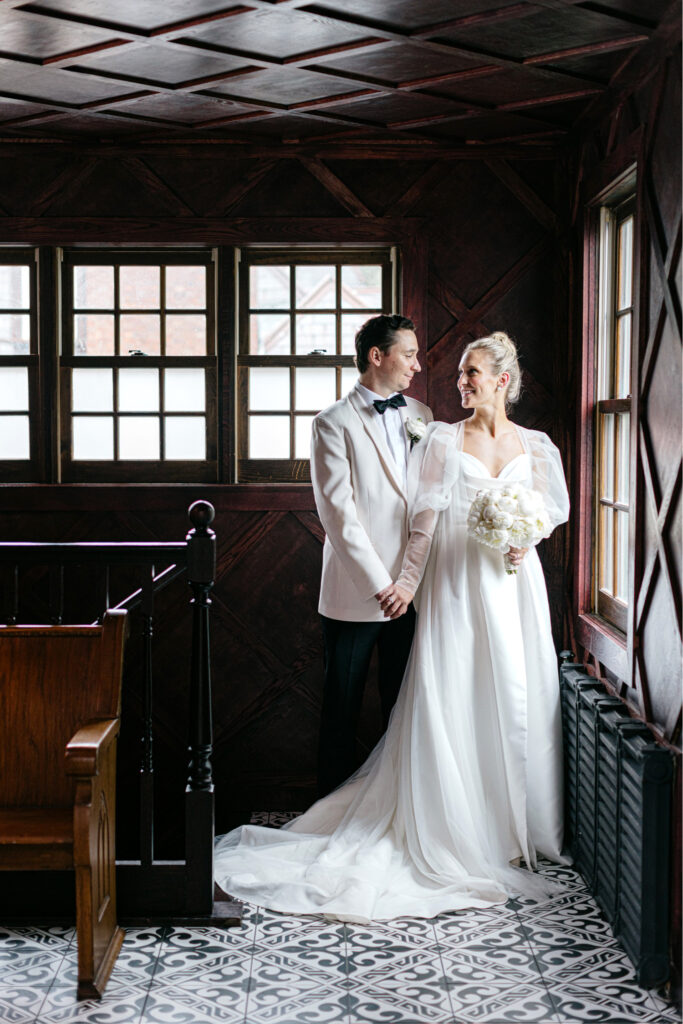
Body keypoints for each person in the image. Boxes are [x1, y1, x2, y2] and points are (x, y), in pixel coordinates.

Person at [214, 330, 570, 922]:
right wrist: (400, 581)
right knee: (420, 699)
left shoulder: (503, 437)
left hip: (511, 586)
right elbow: (393, 516)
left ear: (502, 380)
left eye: (471, 372)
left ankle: (513, 824)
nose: (456, 380)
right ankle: (438, 820)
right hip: (432, 582)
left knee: (511, 691)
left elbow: (549, 506)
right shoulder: (416, 433)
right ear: (378, 356)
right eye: (455, 371)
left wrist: (523, 537)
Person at [309, 313, 432, 796]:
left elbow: (430, 500)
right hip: (358, 594)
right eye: (409, 354)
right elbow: (338, 516)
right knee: (342, 706)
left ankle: (394, 808)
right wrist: (382, 585)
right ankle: (330, 812)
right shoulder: (332, 423)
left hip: (415, 589)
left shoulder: (421, 414)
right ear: (377, 356)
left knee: (401, 709)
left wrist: (409, 582)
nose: (417, 366)